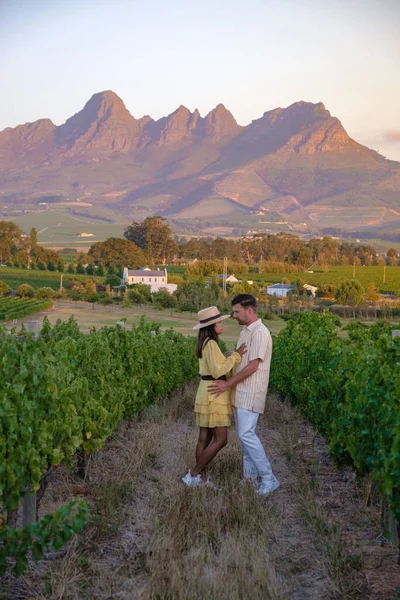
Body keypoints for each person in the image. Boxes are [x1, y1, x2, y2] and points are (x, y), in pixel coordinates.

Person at [208, 294, 280, 496]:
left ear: (250, 310)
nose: (234, 315)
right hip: (241, 391)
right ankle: (249, 479)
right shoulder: (245, 332)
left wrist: (227, 384)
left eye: (237, 311)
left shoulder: (260, 333)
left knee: (246, 434)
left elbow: (253, 366)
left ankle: (268, 478)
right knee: (245, 436)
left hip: (251, 390)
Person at [182, 306, 247, 487]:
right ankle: (194, 473)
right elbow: (218, 370)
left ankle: (201, 478)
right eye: (219, 322)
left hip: (206, 390)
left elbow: (215, 364)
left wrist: (226, 356)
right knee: (221, 439)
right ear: (211, 326)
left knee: (205, 437)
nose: (221, 324)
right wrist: (235, 356)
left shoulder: (206, 343)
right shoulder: (211, 343)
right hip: (214, 393)